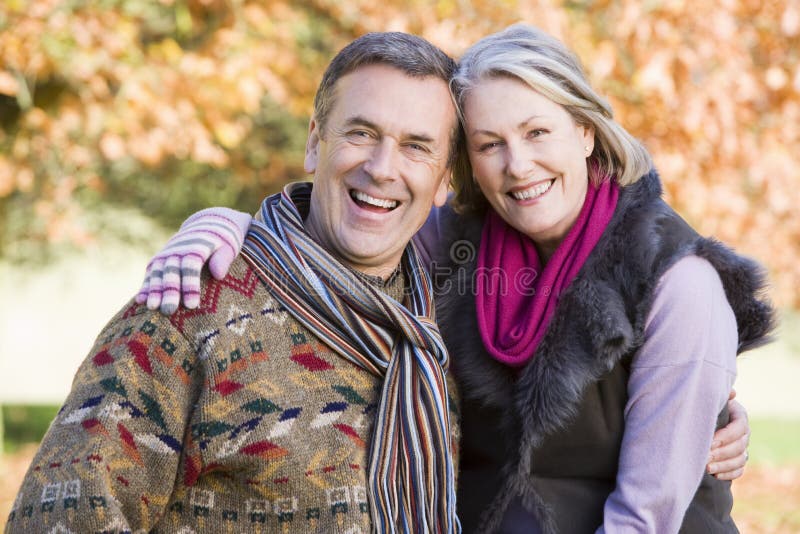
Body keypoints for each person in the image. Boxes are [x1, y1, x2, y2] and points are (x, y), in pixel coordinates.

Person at [134, 24, 770, 532]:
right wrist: (223, 224)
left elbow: (646, 518)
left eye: (537, 131)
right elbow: (339, 230)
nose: (518, 166)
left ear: (585, 131)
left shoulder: (677, 283)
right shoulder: (451, 245)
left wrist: (708, 410)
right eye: (488, 144)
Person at [7, 32, 463, 533]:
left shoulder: (432, 341)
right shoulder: (187, 308)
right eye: (361, 133)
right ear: (315, 141)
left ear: (444, 181)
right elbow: (57, 519)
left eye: (417, 147)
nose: (381, 168)